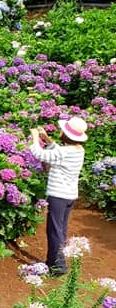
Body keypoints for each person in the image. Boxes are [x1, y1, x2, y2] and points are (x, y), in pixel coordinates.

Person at [28, 117, 88, 276]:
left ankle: (58, 268)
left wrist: (35, 138)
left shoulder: (64, 151)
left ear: (66, 135)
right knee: (60, 230)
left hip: (58, 197)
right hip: (69, 196)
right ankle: (53, 262)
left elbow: (40, 154)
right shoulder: (78, 150)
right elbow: (58, 153)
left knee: (54, 231)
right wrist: (47, 139)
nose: (60, 131)